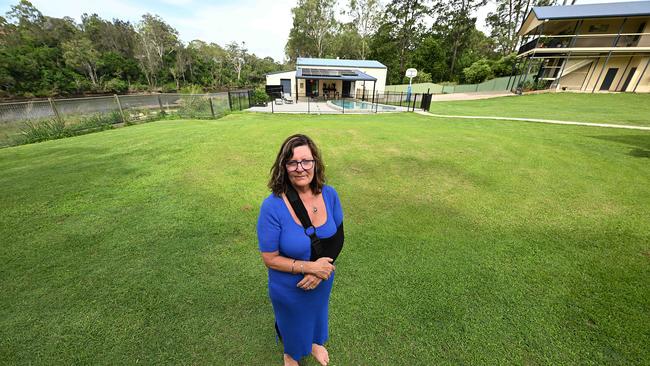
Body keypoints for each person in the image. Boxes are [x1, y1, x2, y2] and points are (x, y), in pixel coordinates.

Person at [257, 134, 344, 366]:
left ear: (315, 162)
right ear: (284, 167)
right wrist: (310, 268)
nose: (300, 168)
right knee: (292, 321)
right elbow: (269, 258)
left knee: (316, 314)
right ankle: (291, 354)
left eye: (306, 161)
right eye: (292, 162)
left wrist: (318, 271)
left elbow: (338, 237)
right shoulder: (272, 206)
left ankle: (314, 343)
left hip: (321, 279)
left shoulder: (330, 194)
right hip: (289, 285)